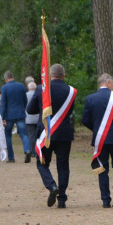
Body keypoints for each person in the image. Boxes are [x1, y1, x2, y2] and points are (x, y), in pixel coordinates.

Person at [26, 63, 77, 208]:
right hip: (64, 133)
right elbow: (69, 111)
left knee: (42, 163)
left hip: (46, 132)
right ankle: (62, 199)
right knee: (63, 166)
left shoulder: (42, 89)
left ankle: (51, 185)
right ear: (64, 75)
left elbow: (30, 110)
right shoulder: (71, 91)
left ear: (50, 75)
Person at [82, 73, 113, 208]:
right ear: (108, 82)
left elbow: (85, 120)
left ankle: (105, 200)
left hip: (100, 139)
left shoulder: (90, 98)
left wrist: (98, 129)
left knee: (102, 168)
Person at [0, 71, 31, 163]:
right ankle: (27, 150)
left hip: (9, 115)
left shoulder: (4, 88)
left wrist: (3, 117)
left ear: (6, 79)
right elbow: (25, 100)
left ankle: (11, 157)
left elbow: (3, 103)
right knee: (24, 134)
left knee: (8, 135)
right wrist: (23, 108)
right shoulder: (21, 86)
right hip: (20, 113)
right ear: (13, 77)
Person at [24, 77, 39, 157]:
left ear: (28, 87)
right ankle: (38, 150)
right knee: (38, 135)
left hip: (28, 118)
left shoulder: (25, 95)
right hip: (38, 118)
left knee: (31, 135)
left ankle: (32, 151)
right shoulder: (39, 94)